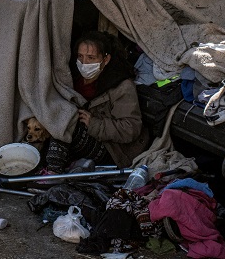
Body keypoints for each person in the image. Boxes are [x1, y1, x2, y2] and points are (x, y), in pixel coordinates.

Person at [45, 31, 150, 172]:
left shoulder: (121, 86)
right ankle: (48, 169)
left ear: (105, 60)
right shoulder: (72, 78)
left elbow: (131, 128)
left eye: (91, 58)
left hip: (112, 149)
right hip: (84, 138)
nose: (84, 63)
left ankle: (52, 173)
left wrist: (94, 124)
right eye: (80, 56)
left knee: (67, 124)